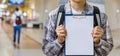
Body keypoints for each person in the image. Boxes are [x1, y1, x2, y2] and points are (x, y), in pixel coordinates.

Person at [42, 0, 113, 56]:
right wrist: (59, 41)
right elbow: (47, 51)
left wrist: (98, 41)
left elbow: (106, 51)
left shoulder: (100, 16)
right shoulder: (54, 15)